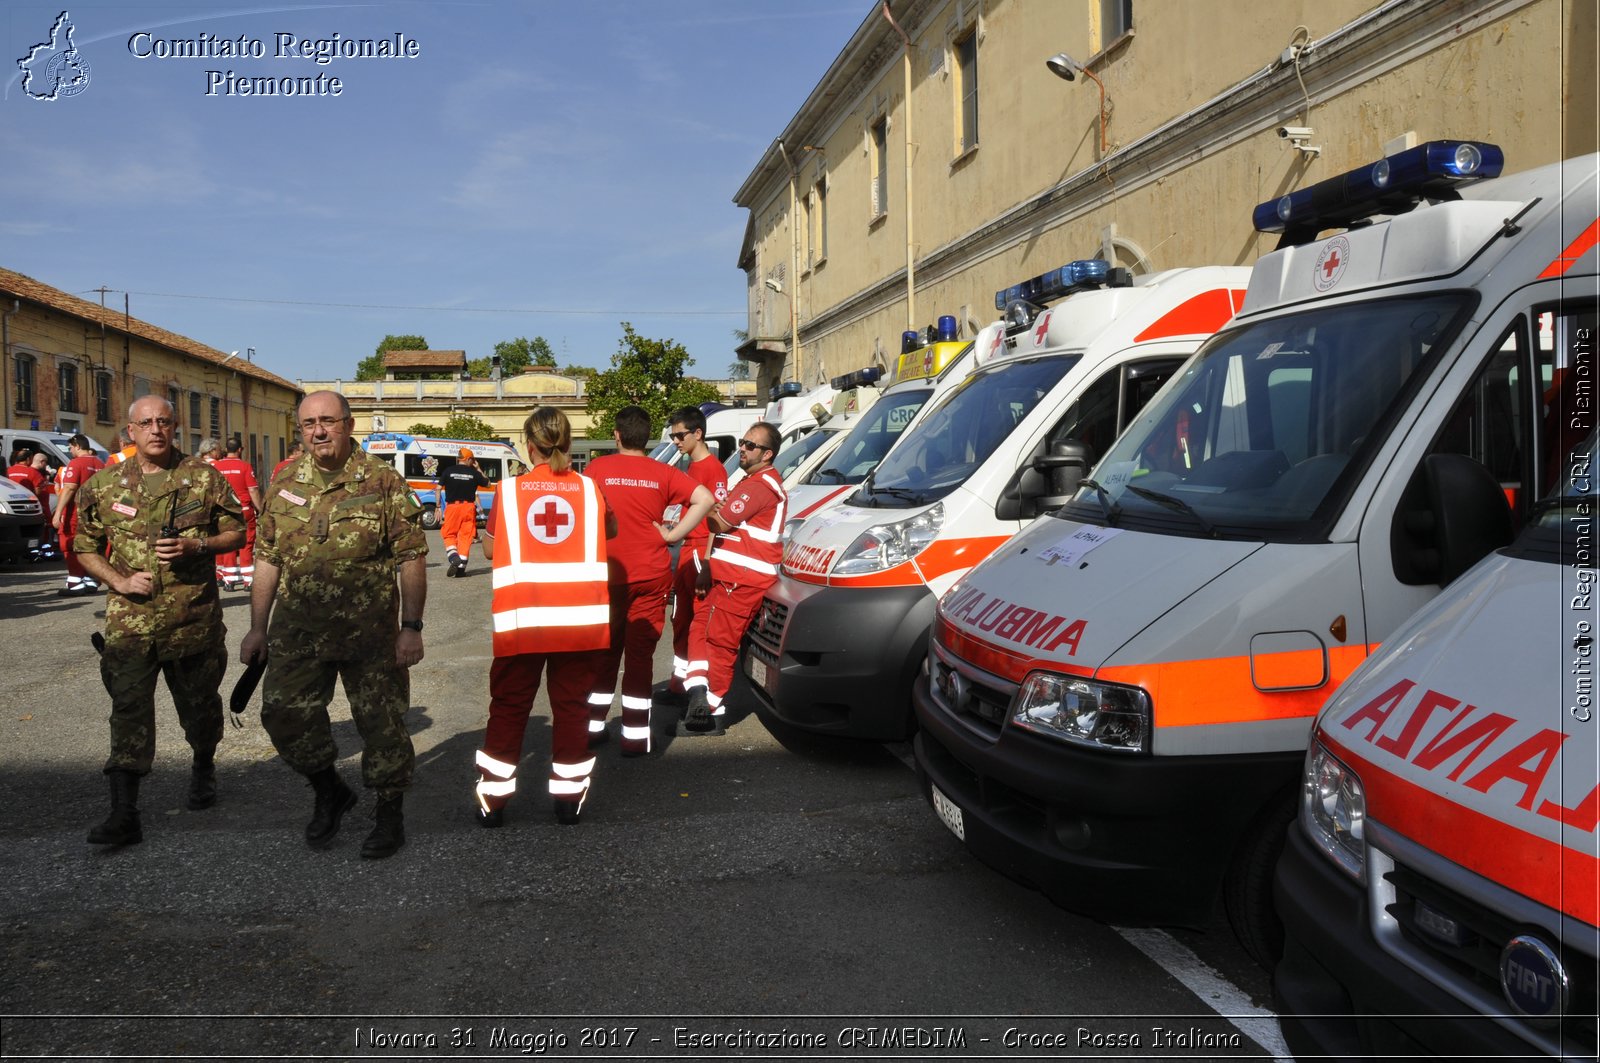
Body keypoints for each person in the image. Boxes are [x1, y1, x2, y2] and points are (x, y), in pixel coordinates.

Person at [241, 390, 428, 859]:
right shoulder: (284, 481)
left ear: (348, 424)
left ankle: (389, 815)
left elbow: (412, 558)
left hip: (370, 635)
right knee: (283, 714)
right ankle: (329, 790)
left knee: (382, 725)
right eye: (308, 424)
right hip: (298, 632)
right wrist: (257, 627)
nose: (318, 431)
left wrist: (411, 626)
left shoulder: (383, 482)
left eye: (327, 421)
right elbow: (267, 558)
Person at [70, 397, 245, 846]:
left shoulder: (202, 478)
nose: (155, 430)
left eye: (163, 422)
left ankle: (203, 765)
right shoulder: (105, 484)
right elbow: (84, 545)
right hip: (130, 622)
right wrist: (119, 582)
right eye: (145, 423)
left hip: (192, 617)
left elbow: (238, 532)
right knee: (128, 709)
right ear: (130, 431)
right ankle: (123, 813)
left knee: (200, 708)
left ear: (174, 427)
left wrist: (198, 547)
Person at [473, 406, 616, 827]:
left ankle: (494, 803)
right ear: (569, 444)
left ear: (528, 445)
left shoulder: (509, 491)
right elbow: (608, 533)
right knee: (572, 709)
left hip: (525, 621)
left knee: (509, 707)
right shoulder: (592, 490)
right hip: (580, 622)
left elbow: (488, 550)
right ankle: (569, 802)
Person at [582, 406, 714, 756]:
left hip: (607, 575)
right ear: (648, 437)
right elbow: (706, 499)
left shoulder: (596, 470)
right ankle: (635, 736)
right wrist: (674, 536)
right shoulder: (662, 472)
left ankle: (592, 728)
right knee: (640, 658)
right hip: (652, 575)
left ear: (617, 434)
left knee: (604, 654)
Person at [682, 421, 787, 736]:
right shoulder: (751, 480)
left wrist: (711, 508)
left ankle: (710, 713)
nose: (742, 448)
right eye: (742, 442)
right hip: (728, 576)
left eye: (751, 445)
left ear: (767, 454)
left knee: (720, 642)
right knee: (701, 629)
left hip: (742, 580)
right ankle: (698, 694)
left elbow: (720, 524)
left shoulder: (759, 486)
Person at [662, 406, 728, 707]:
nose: (676, 441)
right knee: (681, 619)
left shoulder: (713, 469)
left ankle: (697, 692)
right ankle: (679, 683)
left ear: (698, 433)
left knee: (698, 623)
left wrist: (709, 562)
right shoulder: (691, 467)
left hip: (701, 549)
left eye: (680, 435)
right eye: (673, 436)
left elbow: (717, 517)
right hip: (688, 548)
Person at [52, 433, 106, 596]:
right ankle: (90, 579)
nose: (70, 451)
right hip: (95, 512)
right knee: (92, 545)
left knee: (69, 544)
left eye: (70, 448)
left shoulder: (76, 463)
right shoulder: (100, 463)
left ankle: (74, 582)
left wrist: (58, 512)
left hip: (76, 512)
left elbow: (69, 488)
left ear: (77, 446)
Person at [212, 437, 263, 590]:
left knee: (227, 543)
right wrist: (260, 508)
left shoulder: (216, 467)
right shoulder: (245, 466)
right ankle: (248, 581)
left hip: (224, 511)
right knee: (247, 545)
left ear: (226, 450)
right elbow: (253, 490)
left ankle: (229, 581)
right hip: (244, 510)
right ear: (240, 449)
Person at [439, 447, 488, 577]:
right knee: (466, 537)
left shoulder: (448, 471)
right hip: (469, 508)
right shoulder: (474, 473)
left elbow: (438, 488)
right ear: (469, 459)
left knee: (449, 534)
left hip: (452, 507)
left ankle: (454, 557)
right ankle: (461, 569)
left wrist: (437, 506)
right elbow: (487, 483)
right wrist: (478, 469)